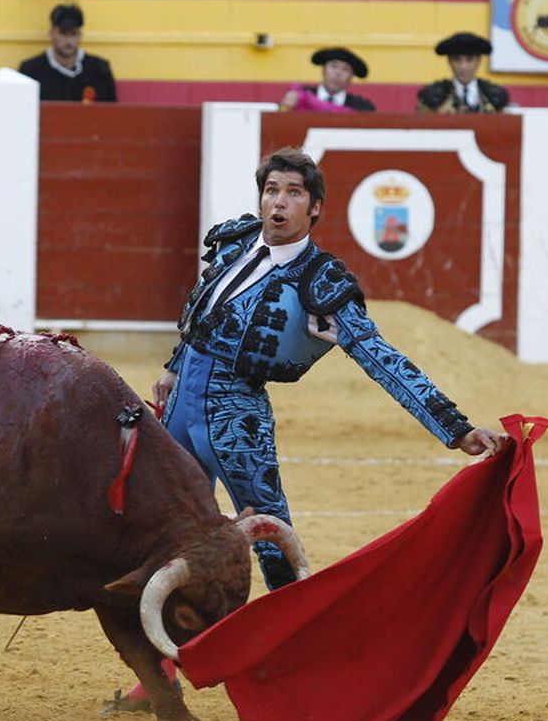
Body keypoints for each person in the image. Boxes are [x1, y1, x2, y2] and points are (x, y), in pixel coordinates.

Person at [158, 148, 509, 589]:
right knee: (167, 521)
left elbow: (381, 358)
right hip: (180, 402)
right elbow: (205, 310)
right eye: (271, 191)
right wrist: (174, 367)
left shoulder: (320, 283)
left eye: (293, 193)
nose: (278, 203)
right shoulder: (237, 241)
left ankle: (292, 634)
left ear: (315, 207)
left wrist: (455, 428)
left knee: (272, 535)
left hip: (233, 413)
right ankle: (181, 628)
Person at [18, 4, 118, 102]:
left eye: (73, 34)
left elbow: (112, 114)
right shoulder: (30, 71)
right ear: (51, 33)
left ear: (80, 35)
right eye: (63, 33)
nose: (69, 40)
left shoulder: (99, 70)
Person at [416, 32, 511, 113]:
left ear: (478, 61)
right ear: (449, 61)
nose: (463, 67)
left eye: (469, 60)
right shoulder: (432, 96)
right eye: (457, 60)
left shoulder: (495, 96)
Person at [280, 47, 375, 112]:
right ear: (323, 69)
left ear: (351, 77)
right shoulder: (299, 96)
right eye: (334, 66)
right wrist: (285, 106)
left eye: (345, 69)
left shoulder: (361, 106)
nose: (338, 73)